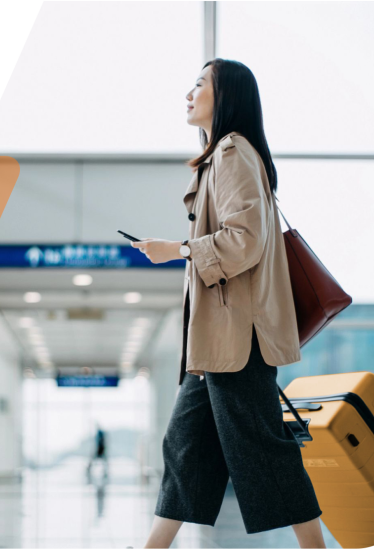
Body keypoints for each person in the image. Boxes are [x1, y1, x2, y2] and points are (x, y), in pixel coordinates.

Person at [130, 59, 326, 550]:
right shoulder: (221, 156)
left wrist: (176, 250)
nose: (189, 93)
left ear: (228, 95)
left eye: (200, 84)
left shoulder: (233, 152)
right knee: (186, 449)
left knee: (263, 450)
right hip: (219, 342)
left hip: (238, 339)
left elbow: (244, 240)